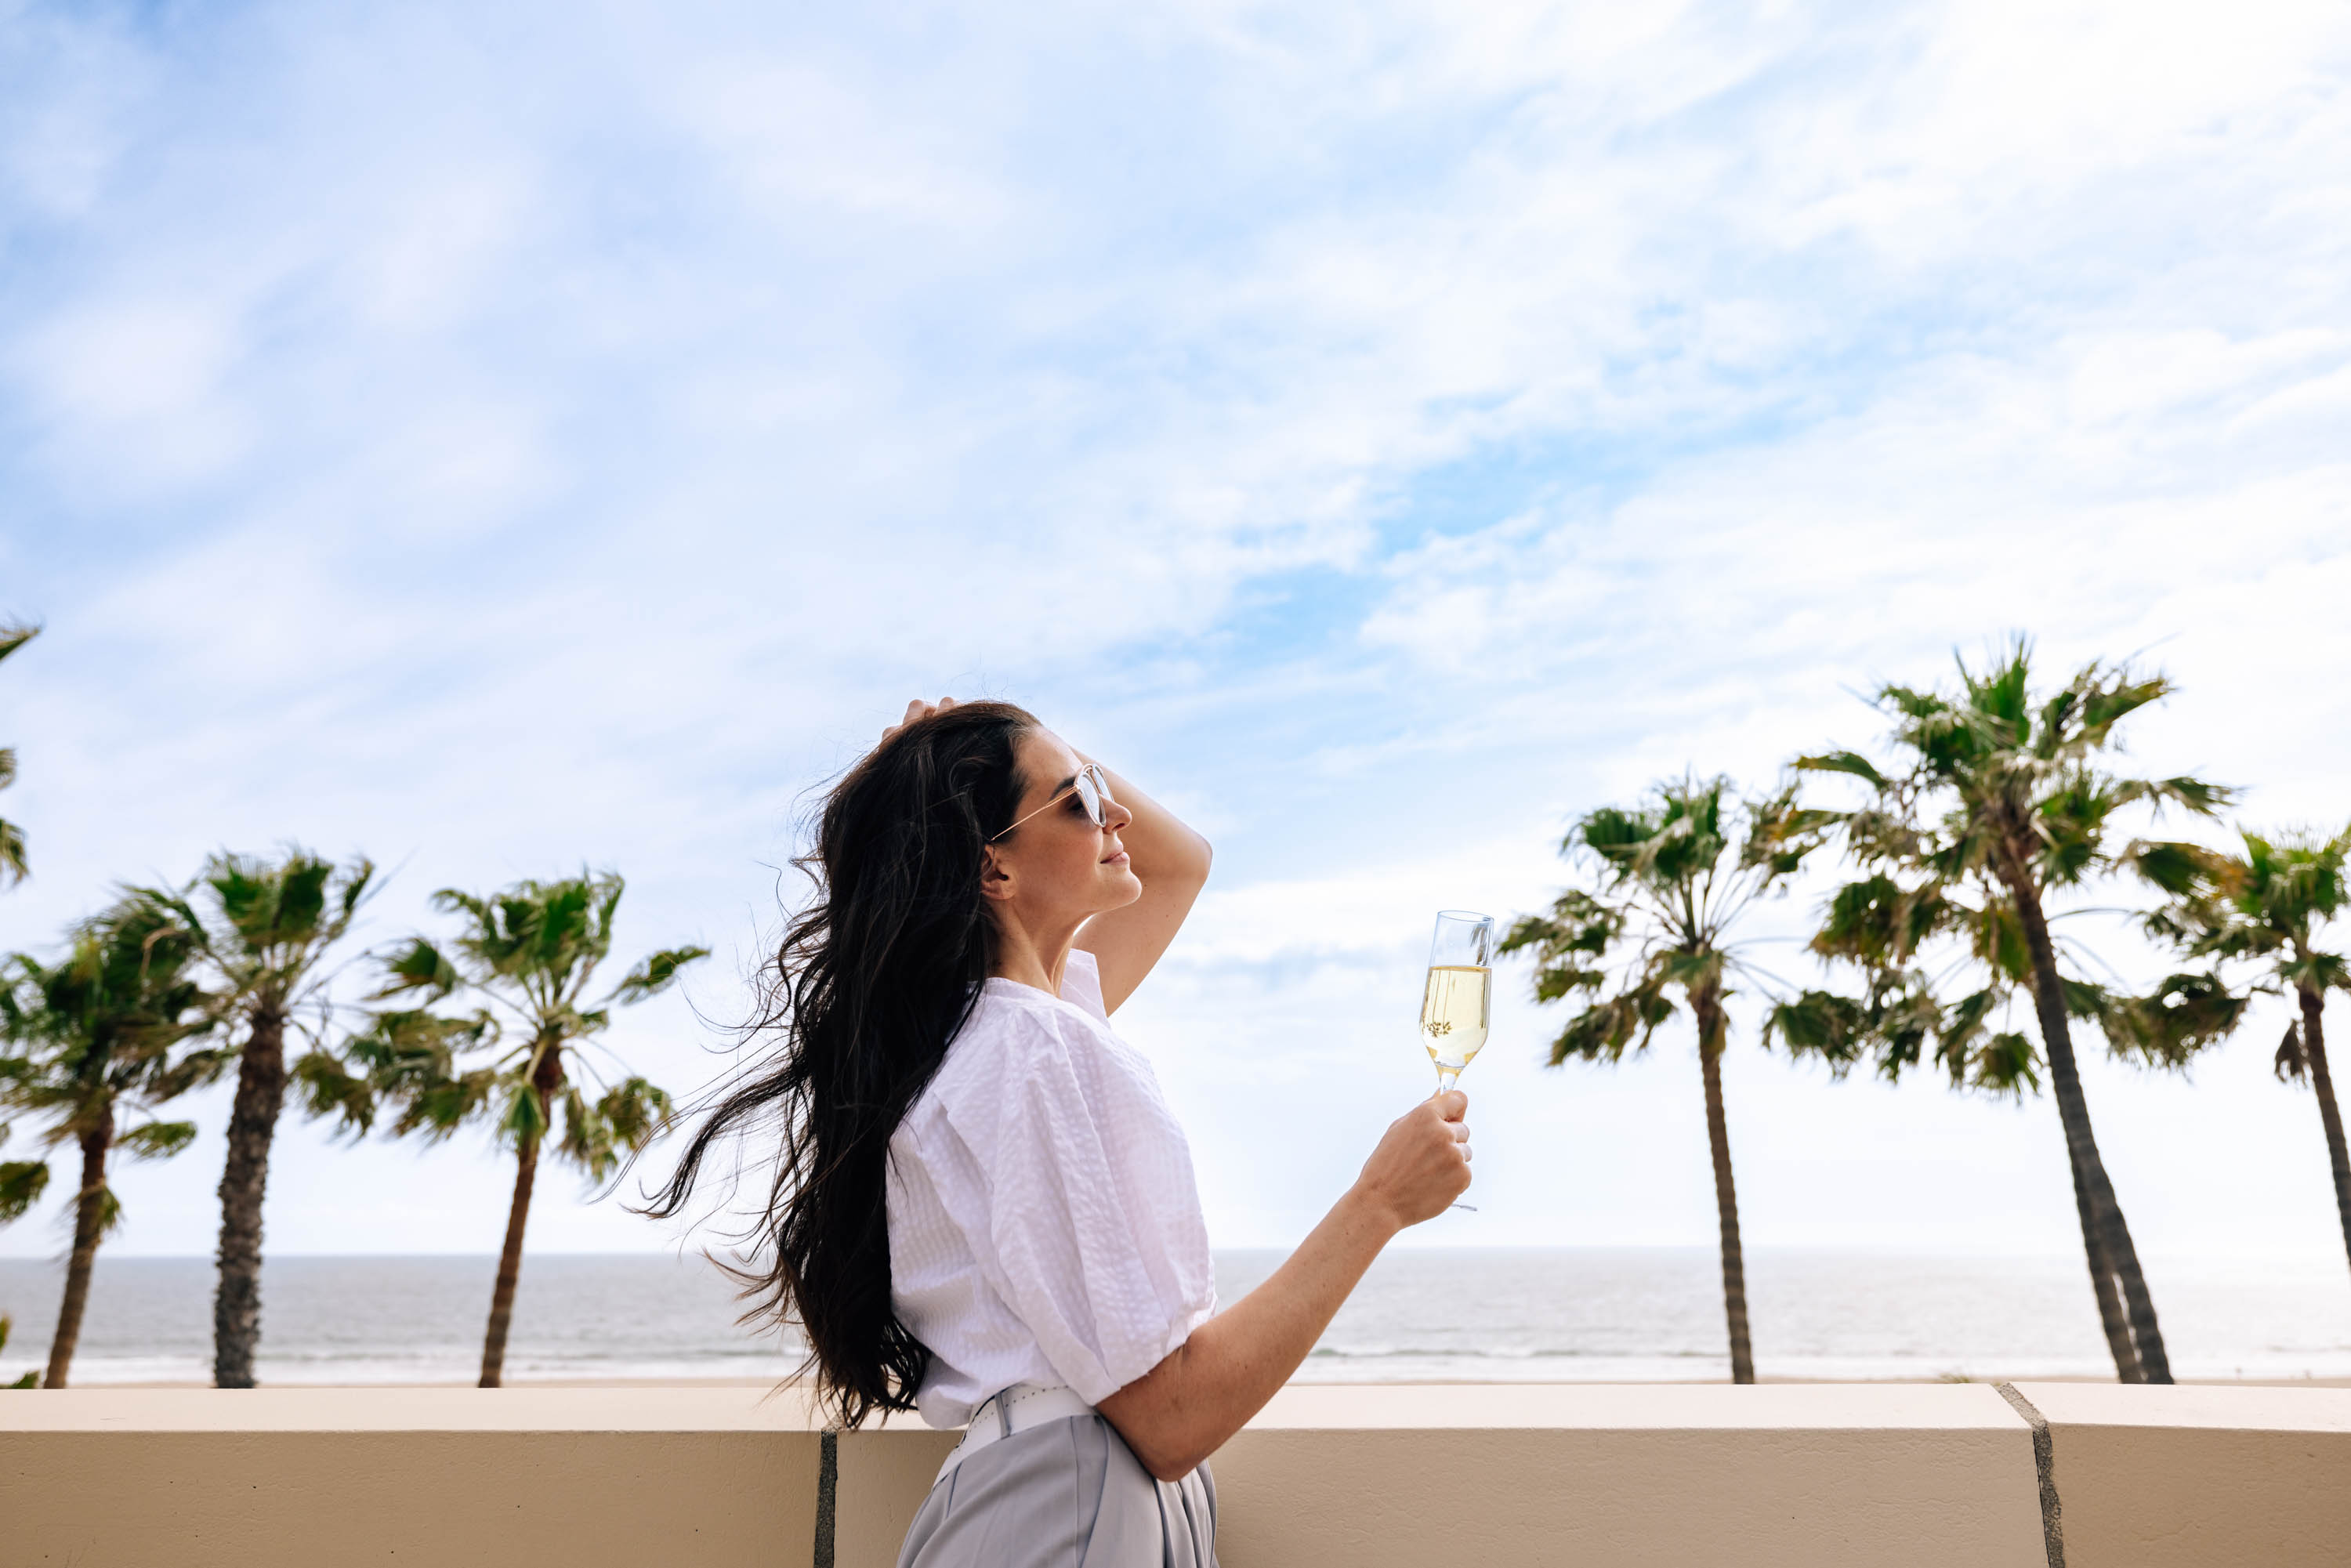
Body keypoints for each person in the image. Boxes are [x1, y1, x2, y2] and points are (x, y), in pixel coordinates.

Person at [651, 698, 1473, 1566]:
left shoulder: (1006, 1027)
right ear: (993, 870)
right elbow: (1170, 1417)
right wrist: (1379, 1202)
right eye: (1080, 800)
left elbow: (1180, 864)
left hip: (1061, 1495)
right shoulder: (1024, 1052)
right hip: (1070, 1495)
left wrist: (987, 742)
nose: (1114, 811)